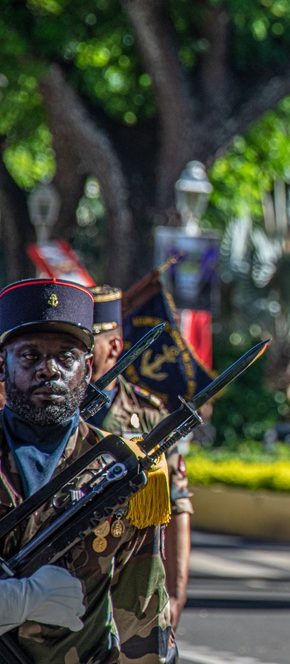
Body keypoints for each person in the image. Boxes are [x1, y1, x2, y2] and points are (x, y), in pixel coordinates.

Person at [0, 278, 171, 662]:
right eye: (29, 356)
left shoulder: (119, 465)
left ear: (88, 367)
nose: (49, 370)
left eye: (66, 357)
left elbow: (142, 610)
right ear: (2, 363)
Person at [86, 284, 193, 635]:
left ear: (114, 346)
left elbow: (175, 507)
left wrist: (175, 596)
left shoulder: (148, 417)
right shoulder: (51, 410)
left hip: (129, 594)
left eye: (85, 346)